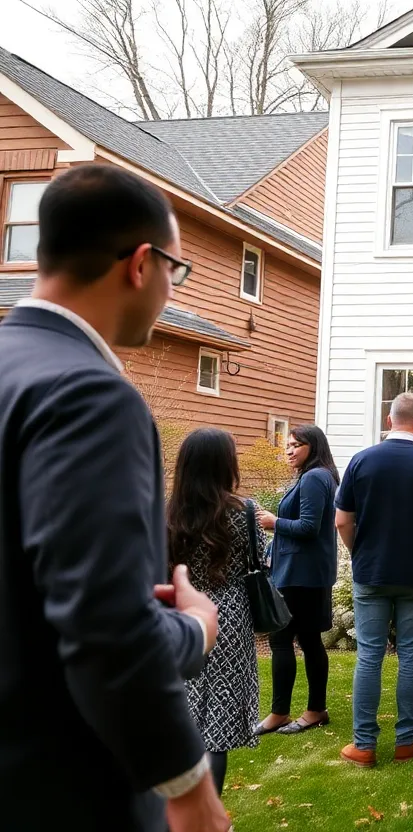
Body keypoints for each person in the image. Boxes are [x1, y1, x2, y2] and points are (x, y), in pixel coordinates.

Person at [0, 164, 226, 830]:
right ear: (139, 264)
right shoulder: (89, 396)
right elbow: (102, 624)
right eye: (176, 270)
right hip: (60, 784)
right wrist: (189, 786)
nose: (168, 289)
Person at [335, 392, 413, 767]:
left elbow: (342, 520)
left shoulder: (362, 461)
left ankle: (364, 744)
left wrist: (359, 551)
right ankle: (406, 739)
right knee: (410, 655)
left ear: (389, 420)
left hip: (372, 572)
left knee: (370, 655)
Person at [168, 428, 263, 793]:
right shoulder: (244, 513)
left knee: (184, 709)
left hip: (181, 613)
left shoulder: (168, 514)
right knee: (217, 727)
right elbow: (259, 564)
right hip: (229, 617)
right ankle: (209, 813)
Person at [255, 424, 339, 736]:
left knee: (293, 639)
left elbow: (308, 527)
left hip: (303, 576)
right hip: (299, 572)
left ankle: (303, 710)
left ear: (313, 447)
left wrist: (274, 522)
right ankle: (296, 710)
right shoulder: (309, 476)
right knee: (301, 640)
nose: (289, 451)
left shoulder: (316, 477)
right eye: (287, 445)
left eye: (296, 445)